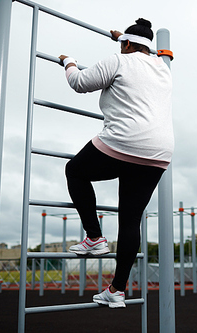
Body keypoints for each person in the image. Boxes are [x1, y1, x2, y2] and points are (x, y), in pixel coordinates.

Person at [59, 18, 173, 308]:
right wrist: (121, 39)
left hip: (124, 141)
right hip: (158, 153)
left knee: (75, 171)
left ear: (126, 45)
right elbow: (138, 54)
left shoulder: (117, 61)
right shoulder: (163, 68)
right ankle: (118, 290)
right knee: (131, 218)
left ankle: (95, 236)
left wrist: (68, 61)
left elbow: (79, 83)